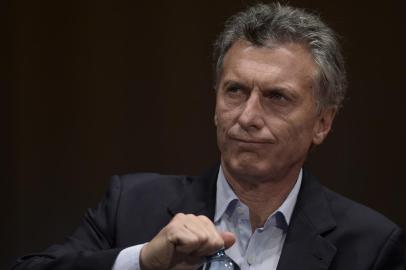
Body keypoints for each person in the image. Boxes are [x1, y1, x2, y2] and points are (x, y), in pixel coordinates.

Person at [12, 3, 405, 270]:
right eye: (235, 91)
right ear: (215, 102)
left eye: (276, 97)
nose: (248, 116)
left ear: (322, 122)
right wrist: (144, 261)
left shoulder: (371, 246)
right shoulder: (130, 206)